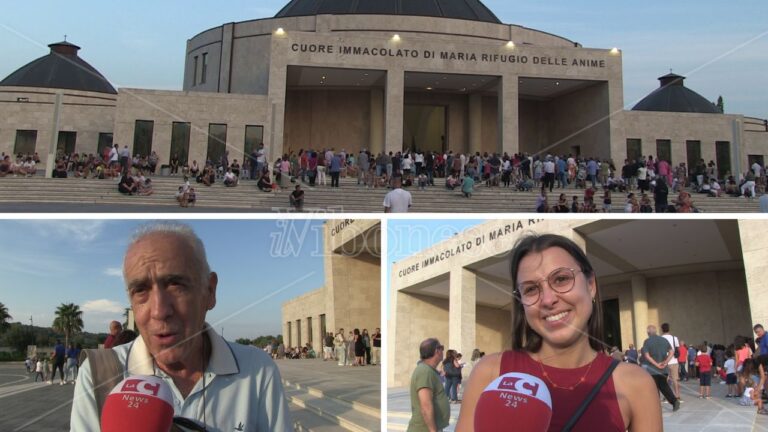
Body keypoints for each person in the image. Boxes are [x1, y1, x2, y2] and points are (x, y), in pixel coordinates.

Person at [70, 223, 291, 431]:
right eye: (141, 291)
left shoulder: (257, 370)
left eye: (176, 285)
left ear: (210, 291)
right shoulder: (97, 375)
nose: (159, 310)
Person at [457, 234, 660, 431]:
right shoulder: (490, 373)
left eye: (561, 279)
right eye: (530, 289)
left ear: (591, 285)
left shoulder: (637, 384)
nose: (547, 300)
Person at [408, 338, 450, 432]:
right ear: (437, 351)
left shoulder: (428, 370)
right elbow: (426, 405)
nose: (443, 351)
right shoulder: (425, 372)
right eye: (442, 348)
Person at [641, 325, 680, 410]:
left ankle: (656, 406)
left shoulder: (647, 341)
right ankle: (674, 401)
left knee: (654, 388)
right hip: (663, 369)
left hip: (652, 370)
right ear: (656, 331)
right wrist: (666, 362)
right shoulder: (664, 340)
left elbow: (647, 356)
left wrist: (656, 364)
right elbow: (671, 351)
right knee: (664, 386)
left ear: (648, 333)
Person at [660, 322, 682, 400]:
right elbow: (677, 348)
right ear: (669, 329)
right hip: (674, 361)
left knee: (665, 379)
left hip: (664, 361)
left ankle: (666, 396)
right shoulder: (674, 338)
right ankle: (677, 395)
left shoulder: (660, 338)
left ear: (662, 329)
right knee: (675, 379)